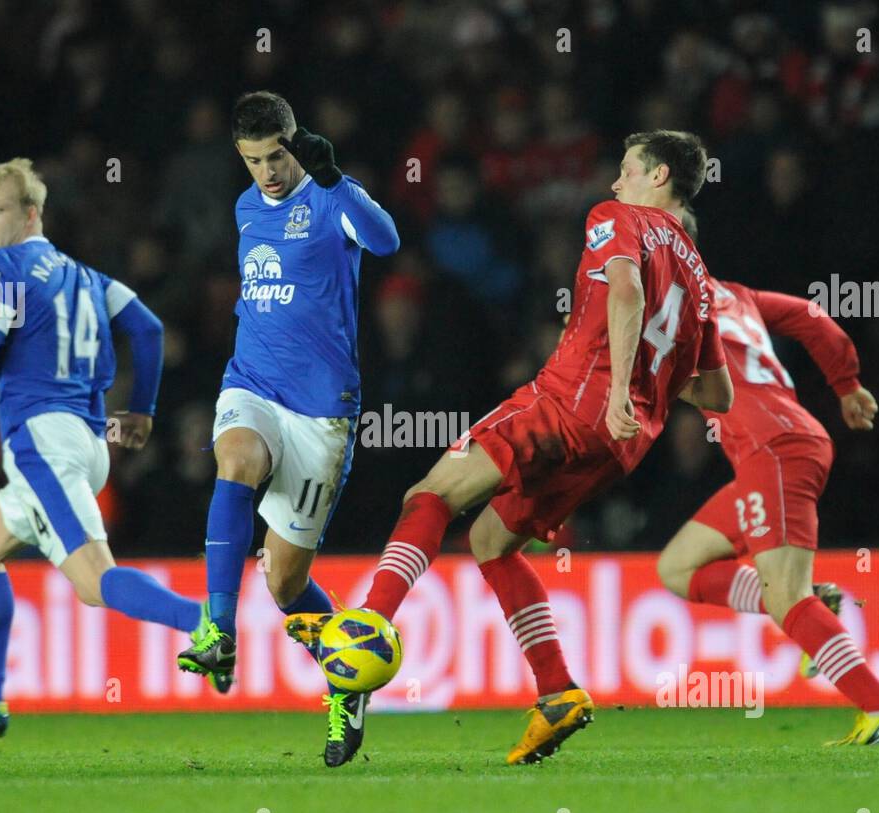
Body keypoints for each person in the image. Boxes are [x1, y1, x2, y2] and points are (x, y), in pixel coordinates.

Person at [288, 130, 732, 766]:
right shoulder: (699, 275)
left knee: (431, 494)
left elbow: (627, 291)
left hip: (568, 402)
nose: (614, 182)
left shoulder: (617, 218)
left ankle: (367, 623)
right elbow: (714, 395)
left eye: (627, 170)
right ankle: (556, 691)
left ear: (658, 176)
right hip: (616, 444)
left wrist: (614, 388)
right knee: (492, 542)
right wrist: (641, 388)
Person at [0, 158, 207, 739]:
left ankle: (204, 622)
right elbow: (150, 329)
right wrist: (142, 412)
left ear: (30, 213)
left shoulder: (4, 267)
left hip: (43, 441)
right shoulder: (88, 278)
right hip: (86, 441)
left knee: (93, 583)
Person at [174, 92, 399, 767]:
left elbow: (386, 240)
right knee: (234, 460)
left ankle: (344, 682)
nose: (267, 172)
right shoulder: (246, 208)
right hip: (254, 383)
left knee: (284, 582)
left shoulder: (332, 195)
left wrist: (335, 180)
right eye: (253, 161)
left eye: (276, 156)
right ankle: (216, 624)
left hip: (321, 409)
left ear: (295, 143)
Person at [655, 208, 879, 746]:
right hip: (785, 445)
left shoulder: (675, 313)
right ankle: (812, 596)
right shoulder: (735, 295)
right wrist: (847, 384)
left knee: (786, 597)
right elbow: (813, 317)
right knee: (678, 567)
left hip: (773, 449)